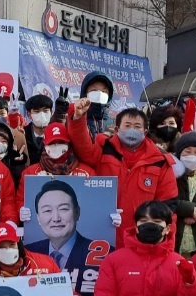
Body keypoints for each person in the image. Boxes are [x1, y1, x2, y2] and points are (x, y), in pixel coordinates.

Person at [68, 99, 178, 244]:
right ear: (117, 130)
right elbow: (83, 146)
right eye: (127, 125)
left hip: (141, 240)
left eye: (137, 126)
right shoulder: (103, 149)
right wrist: (78, 118)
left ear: (145, 132)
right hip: (103, 236)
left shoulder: (160, 161)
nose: (132, 129)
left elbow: (168, 208)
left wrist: (165, 245)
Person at [22, 180, 95, 273]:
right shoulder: (28, 252)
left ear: (77, 212)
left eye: (63, 209)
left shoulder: (98, 252)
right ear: (38, 218)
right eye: (47, 211)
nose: (56, 218)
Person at [20, 122, 95, 180]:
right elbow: (21, 199)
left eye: (61, 142)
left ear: (68, 144)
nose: (56, 146)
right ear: (45, 145)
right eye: (52, 143)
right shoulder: (30, 174)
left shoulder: (87, 173)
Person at [22, 94, 58, 164]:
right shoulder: (23, 133)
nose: (42, 115)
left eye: (45, 111)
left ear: (51, 112)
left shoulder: (57, 134)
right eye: (37, 111)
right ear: (29, 114)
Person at [78, 72, 114, 138]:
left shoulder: (114, 124)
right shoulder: (75, 120)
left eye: (104, 91)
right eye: (94, 90)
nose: (100, 94)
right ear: (85, 93)